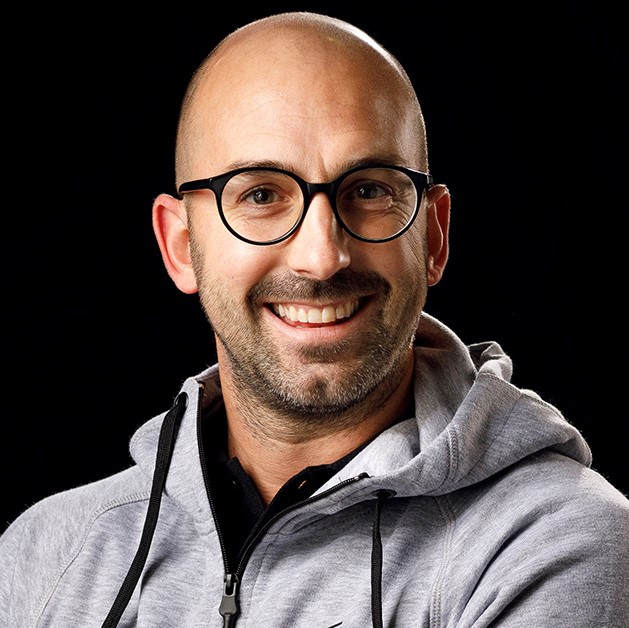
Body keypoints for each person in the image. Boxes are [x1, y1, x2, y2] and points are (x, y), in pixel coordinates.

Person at [2, 11, 628, 628]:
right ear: (180, 246)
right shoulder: (43, 557)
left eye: (370, 190)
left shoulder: (554, 543)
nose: (323, 257)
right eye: (261, 195)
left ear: (434, 236)